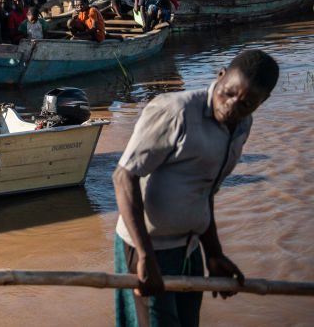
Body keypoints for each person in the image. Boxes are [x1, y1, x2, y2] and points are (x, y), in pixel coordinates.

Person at [112, 50, 280, 327]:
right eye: (228, 93)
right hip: (147, 249)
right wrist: (145, 256)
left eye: (247, 103)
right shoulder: (175, 111)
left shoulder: (240, 127)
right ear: (220, 75)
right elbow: (123, 177)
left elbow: (204, 192)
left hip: (188, 249)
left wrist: (213, 252)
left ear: (262, 102)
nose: (232, 106)